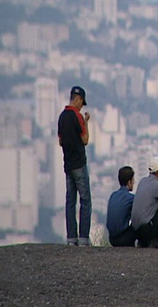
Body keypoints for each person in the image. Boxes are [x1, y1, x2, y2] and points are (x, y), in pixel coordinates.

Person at [58, 86, 92, 247]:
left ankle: (71, 238)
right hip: (79, 163)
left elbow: (60, 141)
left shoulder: (62, 117)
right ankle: (84, 238)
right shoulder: (77, 116)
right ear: (77, 99)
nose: (81, 106)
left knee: (70, 201)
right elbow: (85, 139)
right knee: (85, 200)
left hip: (67, 164)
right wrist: (86, 122)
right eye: (81, 103)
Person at [131, 157, 158, 249]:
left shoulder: (142, 181)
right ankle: (153, 239)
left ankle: (144, 241)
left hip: (135, 230)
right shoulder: (157, 186)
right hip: (146, 230)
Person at [106, 166, 137, 247]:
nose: (134, 182)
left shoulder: (113, 195)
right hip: (124, 239)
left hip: (111, 239)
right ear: (129, 182)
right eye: (133, 180)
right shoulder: (130, 198)